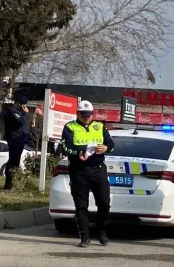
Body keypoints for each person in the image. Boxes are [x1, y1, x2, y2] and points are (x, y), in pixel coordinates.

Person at [60, 100, 115, 247]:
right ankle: (85, 236)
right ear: (78, 114)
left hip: (98, 169)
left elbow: (111, 145)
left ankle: (101, 231)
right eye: (83, 115)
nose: (86, 117)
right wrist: (80, 151)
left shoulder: (100, 126)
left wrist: (106, 148)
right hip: (79, 170)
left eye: (89, 115)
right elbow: (65, 146)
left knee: (104, 202)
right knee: (81, 205)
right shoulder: (70, 127)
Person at [2, 96, 30, 190]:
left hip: (20, 139)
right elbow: (21, 121)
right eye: (23, 105)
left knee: (16, 162)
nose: (24, 107)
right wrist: (26, 113)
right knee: (12, 160)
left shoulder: (19, 112)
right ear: (19, 104)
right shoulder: (11, 110)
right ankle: (8, 183)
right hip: (14, 139)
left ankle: (13, 182)